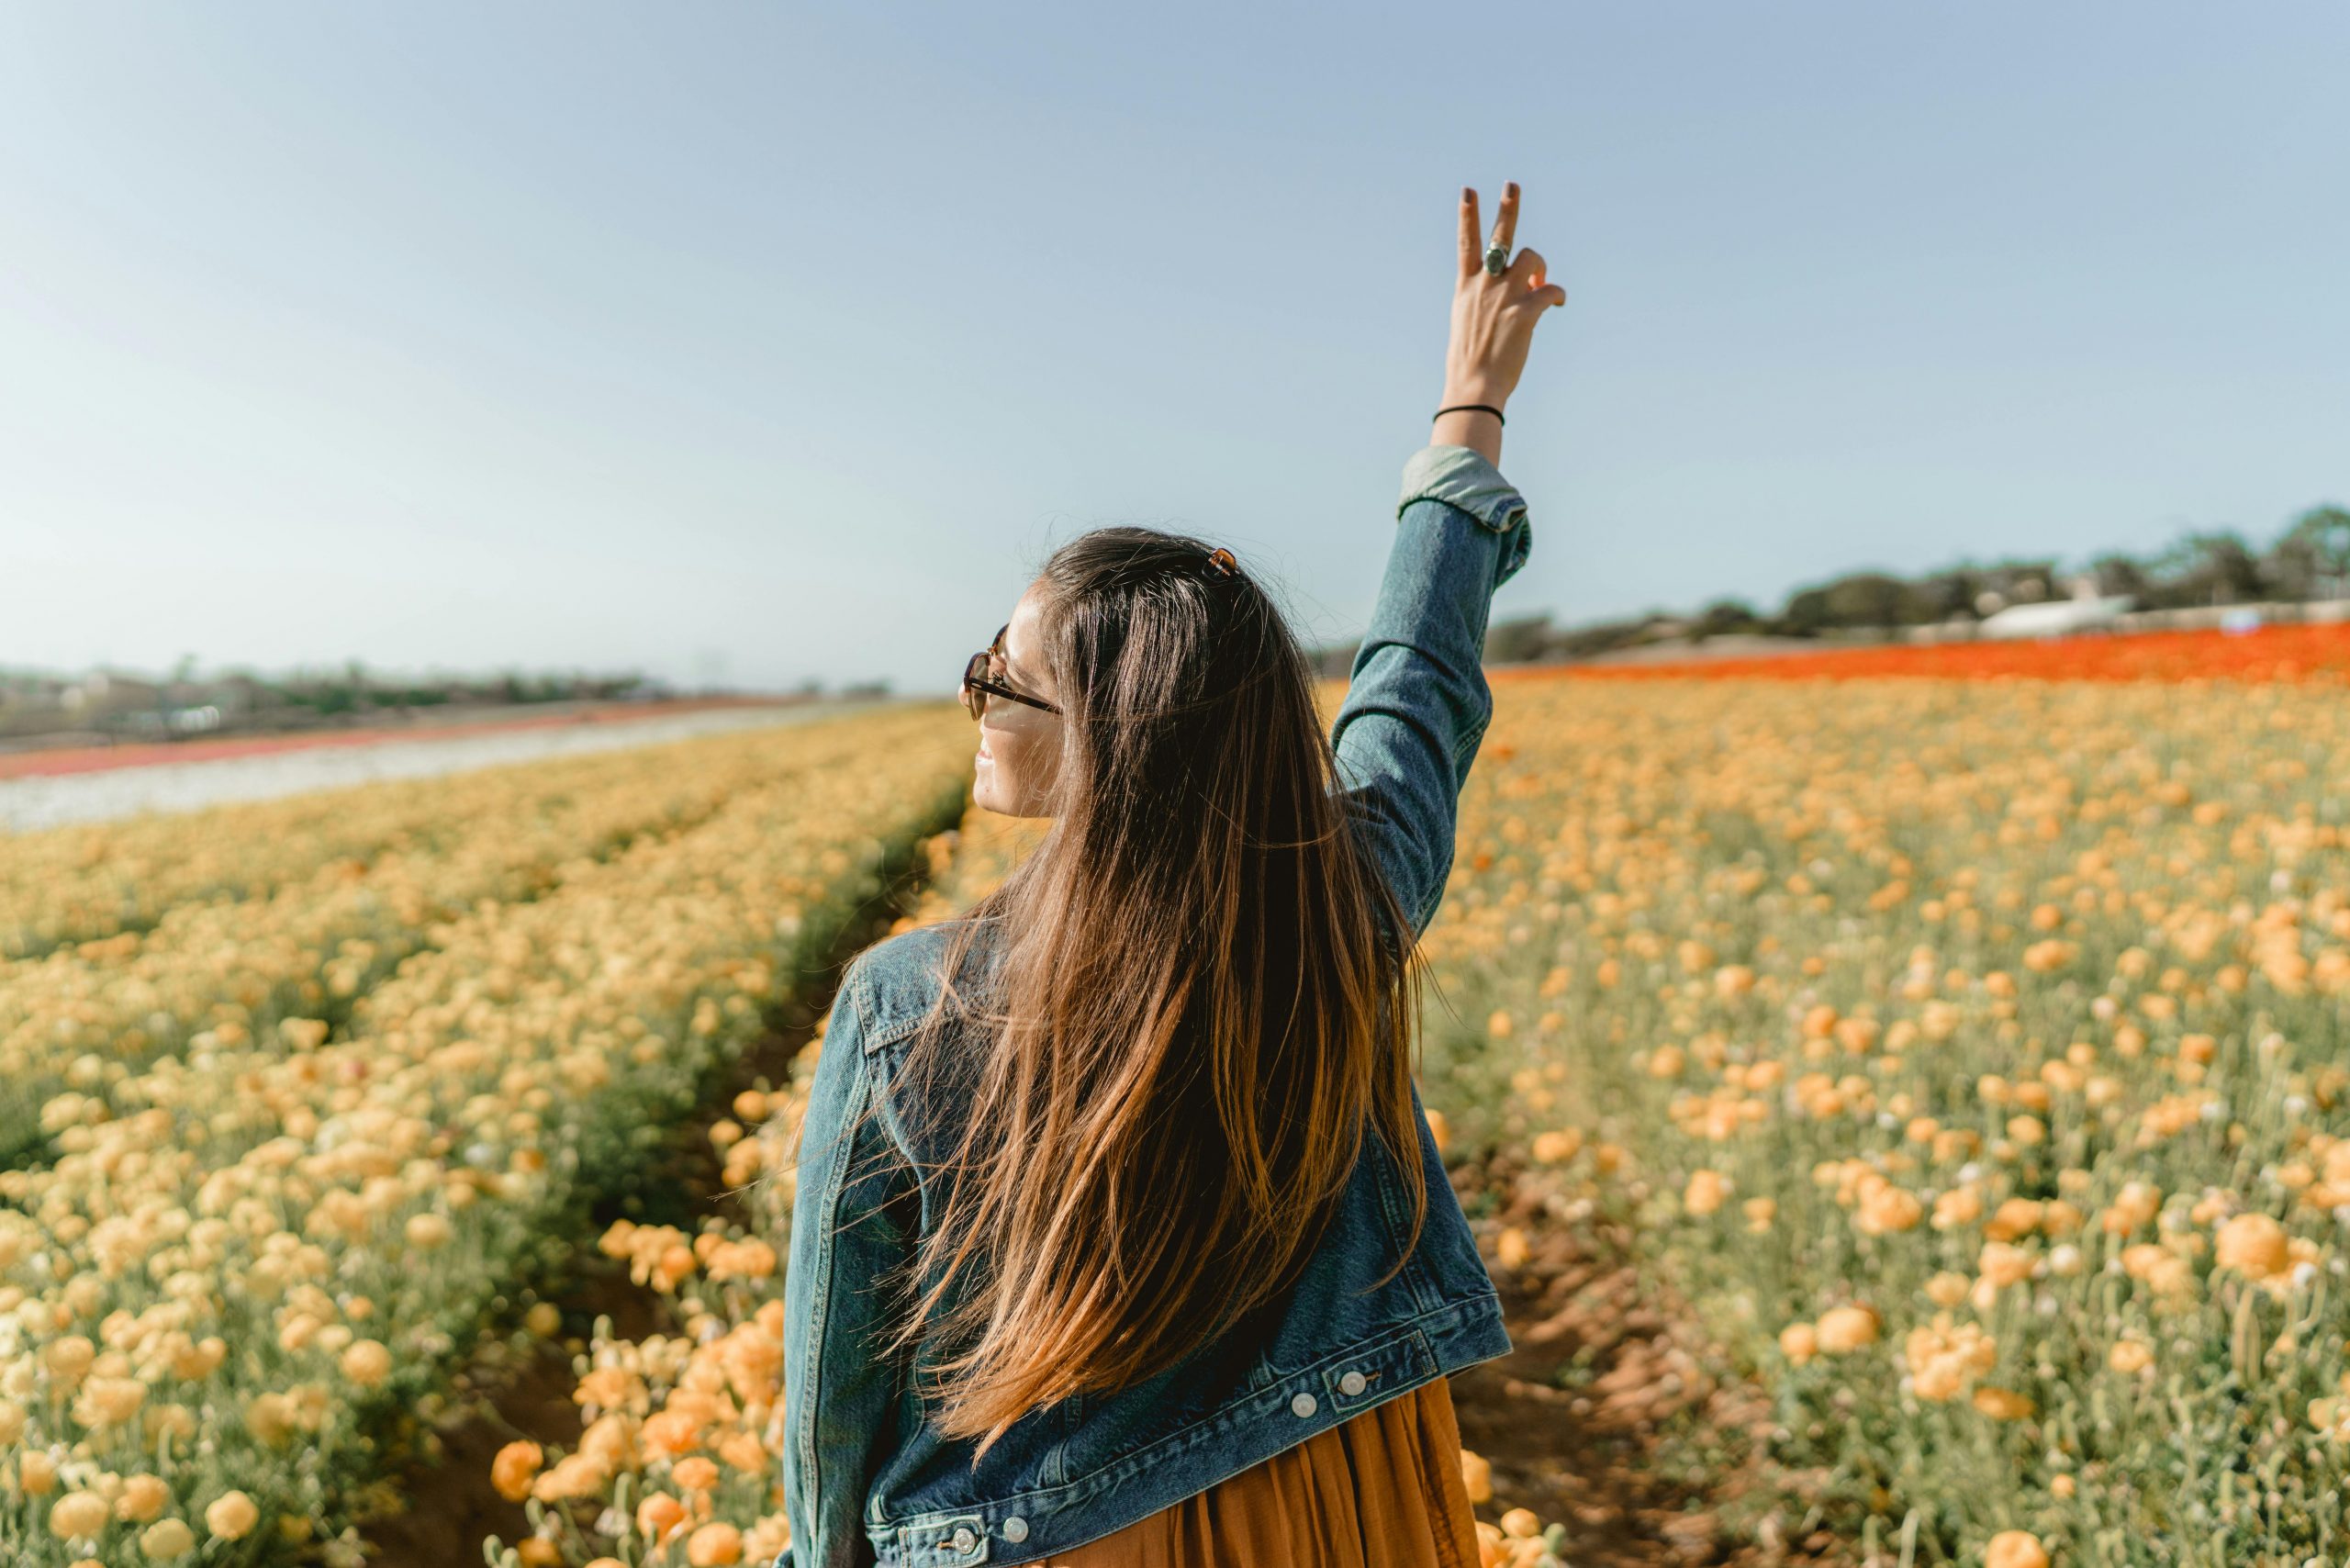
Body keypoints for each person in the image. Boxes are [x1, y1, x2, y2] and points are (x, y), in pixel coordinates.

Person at [776, 181, 1567, 1568]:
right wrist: (1470, 409)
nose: (973, 700)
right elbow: (1413, 689)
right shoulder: (1343, 908)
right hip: (1343, 1497)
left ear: (1110, 737)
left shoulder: (911, 1007)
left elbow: (837, 1402)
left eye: (999, 681)